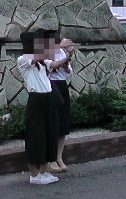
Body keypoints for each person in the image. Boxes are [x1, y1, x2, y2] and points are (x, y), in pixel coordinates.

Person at [16, 31, 61, 185]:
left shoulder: (42, 62)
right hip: (36, 100)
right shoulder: (23, 59)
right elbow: (39, 56)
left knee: (49, 133)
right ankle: (34, 175)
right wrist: (57, 46)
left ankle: (43, 172)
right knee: (36, 136)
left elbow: (53, 64)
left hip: (48, 98)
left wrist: (67, 57)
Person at [48, 38, 75, 173]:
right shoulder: (46, 50)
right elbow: (47, 65)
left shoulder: (62, 52)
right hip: (51, 85)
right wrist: (59, 47)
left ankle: (59, 157)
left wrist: (68, 57)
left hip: (62, 85)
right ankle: (50, 159)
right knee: (53, 123)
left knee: (63, 123)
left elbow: (69, 71)